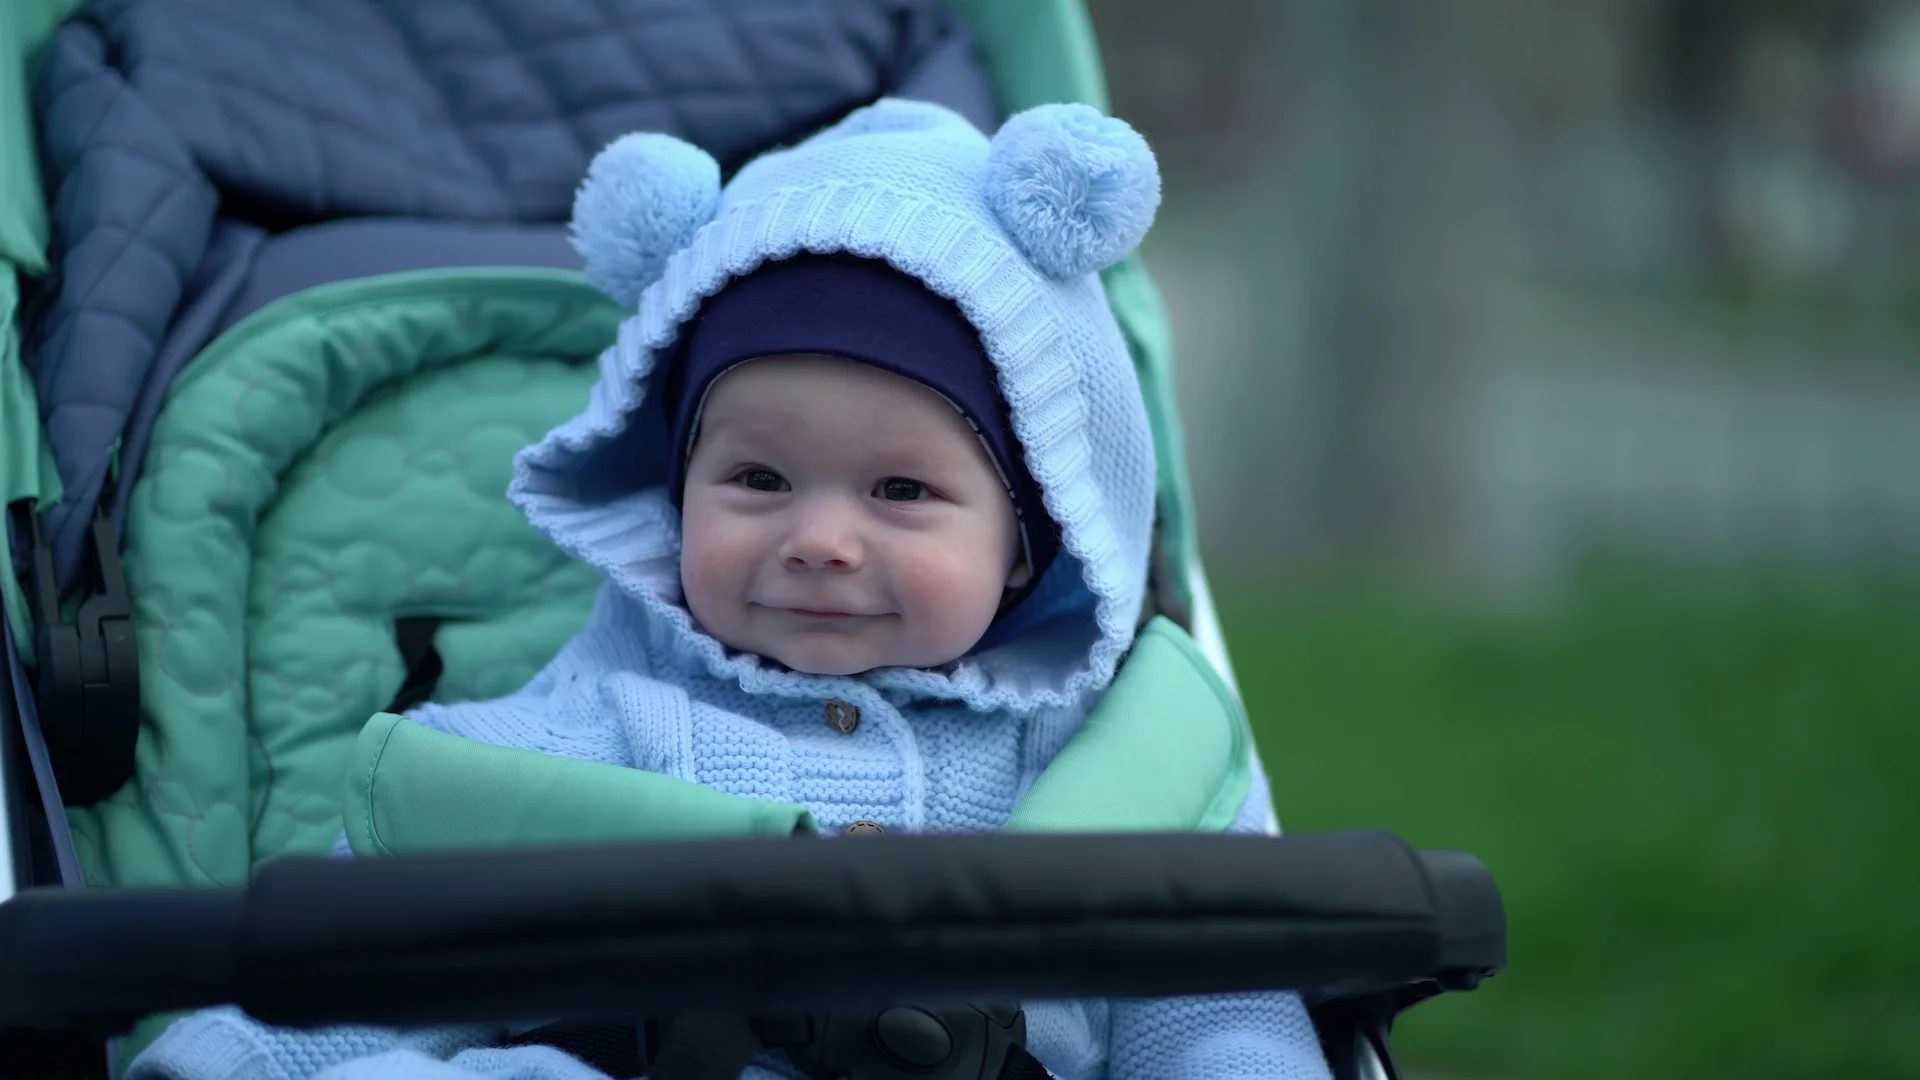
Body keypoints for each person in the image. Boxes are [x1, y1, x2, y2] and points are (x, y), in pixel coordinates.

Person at [128, 98, 1333, 1080]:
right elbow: (380, 967)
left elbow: (1214, 1010)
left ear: (1030, 539)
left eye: (902, 492)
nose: (819, 540)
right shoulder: (591, 728)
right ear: (676, 488)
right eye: (758, 476)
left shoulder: (1125, 761)